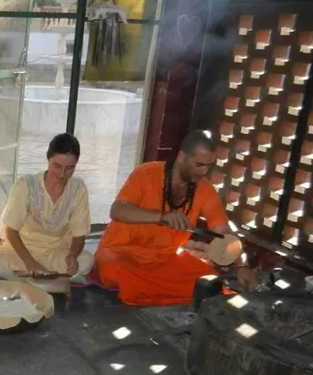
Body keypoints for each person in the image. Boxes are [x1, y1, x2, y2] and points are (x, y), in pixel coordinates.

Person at [94, 130, 261, 306]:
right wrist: (161, 217)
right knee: (112, 268)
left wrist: (242, 266)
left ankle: (152, 293)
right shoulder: (146, 173)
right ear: (182, 157)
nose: (204, 172)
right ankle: (161, 293)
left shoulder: (204, 189)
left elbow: (224, 234)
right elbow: (118, 210)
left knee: (208, 278)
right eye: (199, 165)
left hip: (166, 259)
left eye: (209, 166)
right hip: (123, 253)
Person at [0, 133, 93, 280]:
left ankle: (27, 277)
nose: (62, 174)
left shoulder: (78, 189)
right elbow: (10, 231)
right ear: (48, 159)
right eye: (57, 166)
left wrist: (72, 255)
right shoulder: (26, 185)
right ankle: (47, 276)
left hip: (56, 251)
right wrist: (30, 262)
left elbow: (79, 235)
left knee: (86, 261)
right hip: (23, 250)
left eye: (69, 168)